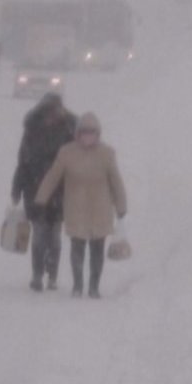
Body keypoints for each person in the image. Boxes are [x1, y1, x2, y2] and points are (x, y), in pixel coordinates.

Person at [34, 112, 127, 299]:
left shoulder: (106, 154)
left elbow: (116, 181)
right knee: (77, 249)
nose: (88, 136)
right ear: (78, 133)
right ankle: (78, 285)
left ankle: (94, 287)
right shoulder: (67, 153)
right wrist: (41, 199)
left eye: (92, 132)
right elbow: (53, 177)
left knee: (97, 250)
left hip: (100, 210)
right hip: (76, 209)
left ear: (98, 133)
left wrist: (121, 205)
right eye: (84, 132)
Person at [11, 93, 76, 292]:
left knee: (55, 237)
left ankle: (52, 275)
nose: (52, 117)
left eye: (55, 112)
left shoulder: (69, 131)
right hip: (34, 191)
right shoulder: (32, 132)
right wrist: (17, 188)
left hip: (60, 192)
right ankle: (37, 275)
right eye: (49, 113)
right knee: (39, 236)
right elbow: (23, 162)